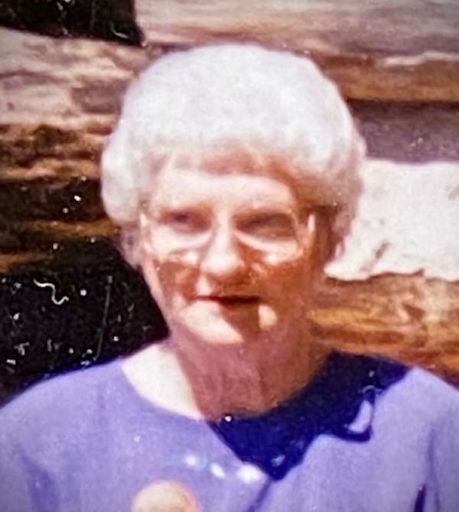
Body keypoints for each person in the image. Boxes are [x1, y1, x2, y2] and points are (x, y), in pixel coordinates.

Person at [1, 43, 459, 512]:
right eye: (184, 221)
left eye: (265, 223)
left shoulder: (428, 438)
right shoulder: (36, 447)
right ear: (138, 239)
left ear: (331, 238)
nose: (223, 263)